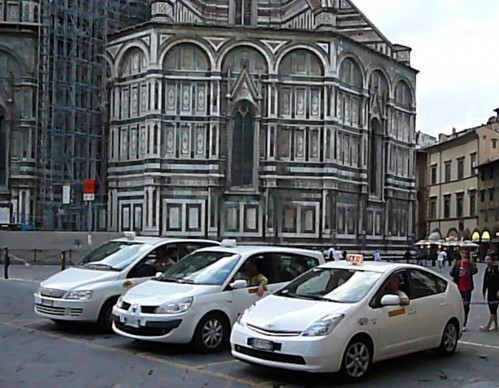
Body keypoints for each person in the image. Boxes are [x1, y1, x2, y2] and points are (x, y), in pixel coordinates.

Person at [450, 248, 478, 331]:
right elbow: (451, 273)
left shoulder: (470, 263)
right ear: (460, 254)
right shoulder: (457, 263)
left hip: (467, 288)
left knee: (466, 306)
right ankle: (458, 322)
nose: (465, 255)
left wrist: (468, 264)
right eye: (463, 253)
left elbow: (475, 270)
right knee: (457, 306)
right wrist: (455, 267)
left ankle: (464, 323)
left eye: (466, 253)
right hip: (458, 287)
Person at [480, 255, 499, 332]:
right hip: (490, 292)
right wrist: (483, 291)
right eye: (486, 260)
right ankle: (496, 326)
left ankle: (488, 326)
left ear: (492, 261)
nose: (487, 261)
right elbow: (485, 281)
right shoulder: (487, 270)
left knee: (493, 309)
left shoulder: (496, 269)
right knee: (492, 309)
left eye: (488, 259)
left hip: (496, 292)